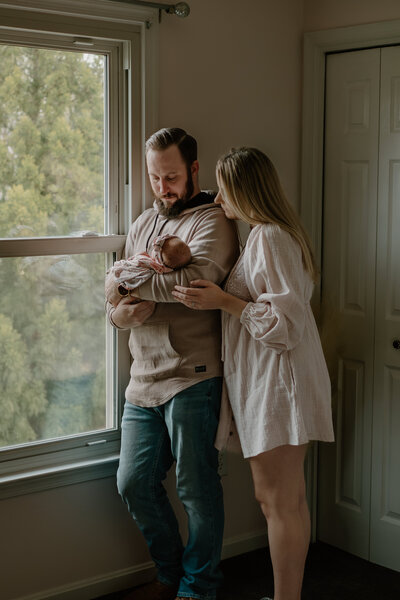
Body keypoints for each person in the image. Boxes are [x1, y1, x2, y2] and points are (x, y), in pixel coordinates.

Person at [172, 147, 335, 600]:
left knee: (277, 501)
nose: (218, 197)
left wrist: (224, 301)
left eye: (225, 188)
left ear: (245, 188)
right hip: (276, 380)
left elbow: (286, 325)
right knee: (286, 500)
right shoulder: (269, 236)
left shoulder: (270, 237)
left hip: (279, 383)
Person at [106, 128, 239, 600]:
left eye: (171, 176)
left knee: (197, 491)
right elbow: (110, 296)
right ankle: (170, 574)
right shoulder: (143, 223)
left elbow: (196, 287)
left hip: (194, 377)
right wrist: (120, 311)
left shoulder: (212, 221)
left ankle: (198, 588)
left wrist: (129, 282)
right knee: (133, 483)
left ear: (194, 172)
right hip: (142, 381)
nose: (162, 186)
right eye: (154, 177)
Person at [105, 234, 192, 307]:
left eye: (154, 250)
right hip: (115, 297)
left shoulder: (148, 265)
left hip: (121, 290)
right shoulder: (139, 224)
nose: (152, 250)